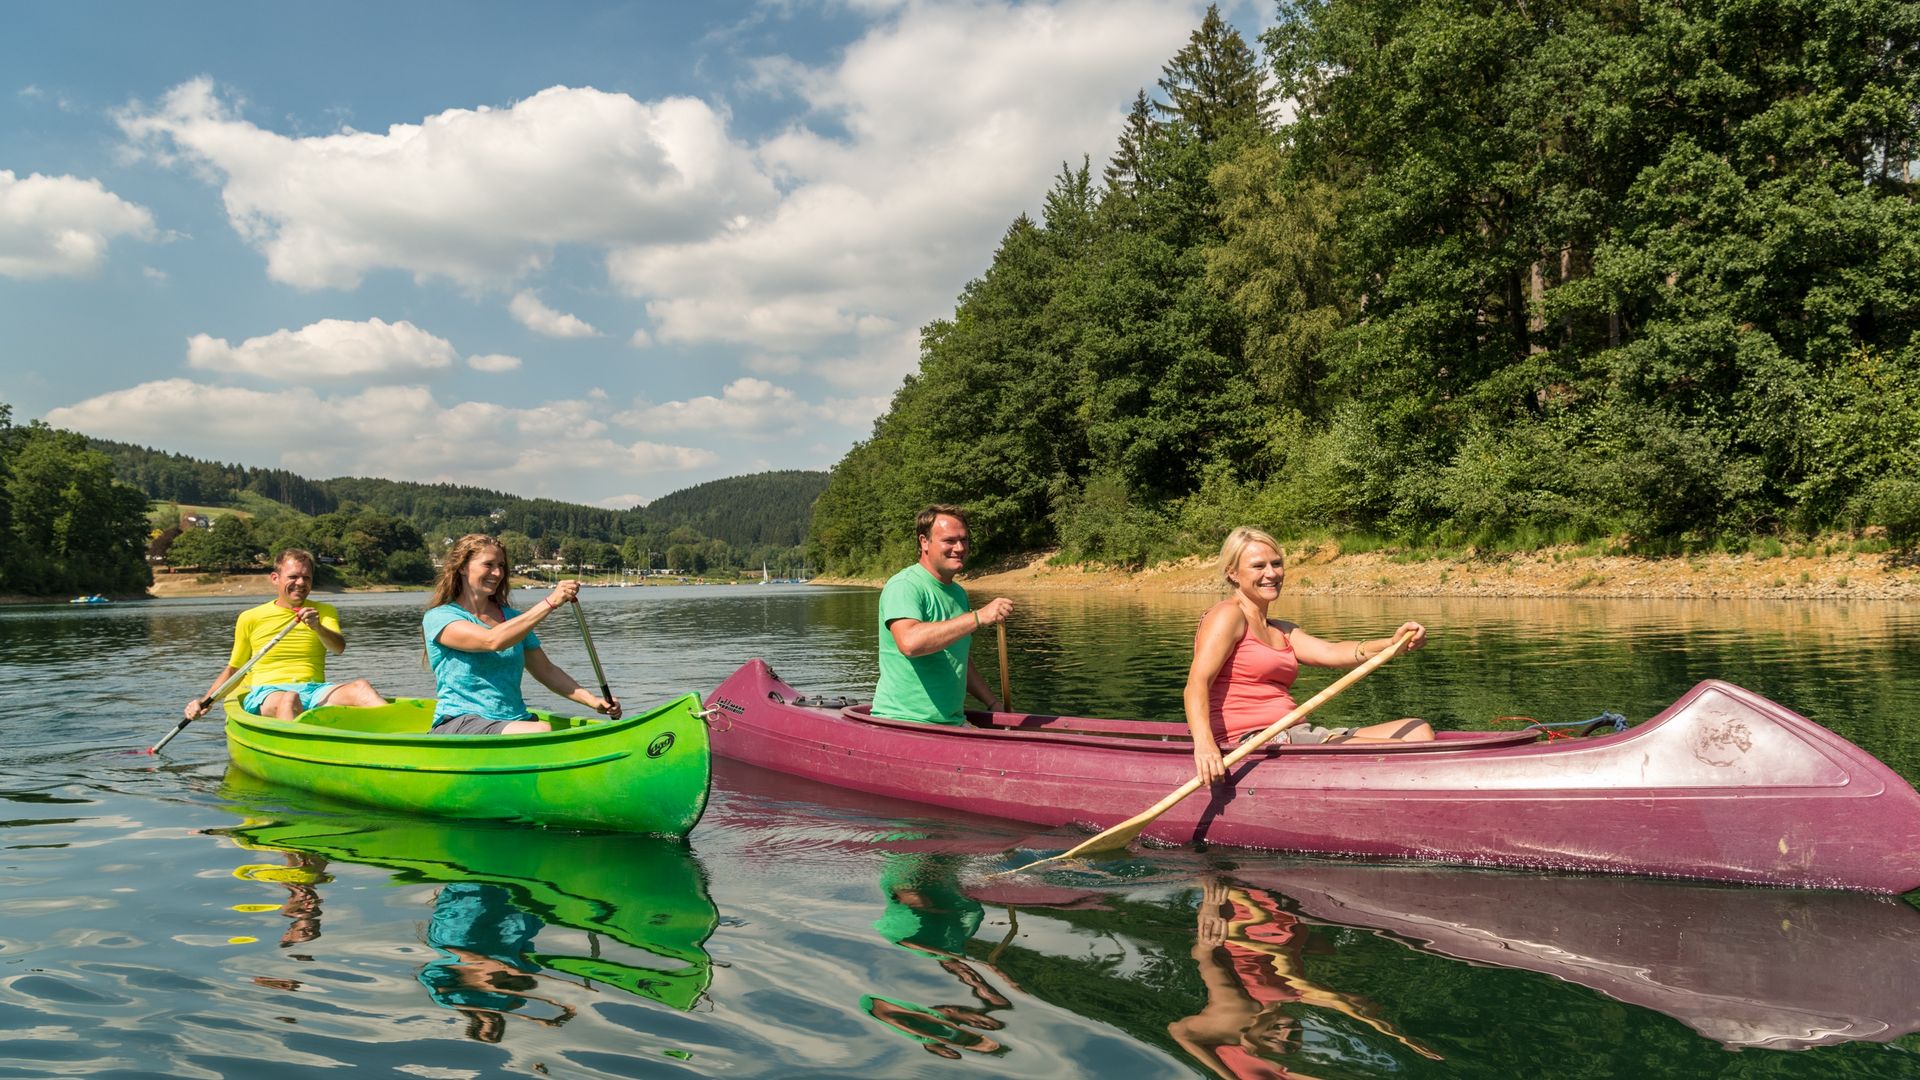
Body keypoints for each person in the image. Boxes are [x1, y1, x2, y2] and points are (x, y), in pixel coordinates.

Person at [1185, 527, 1433, 786]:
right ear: (1232, 573)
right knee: (1401, 753)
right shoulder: (1227, 615)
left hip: (1294, 732)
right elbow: (1196, 684)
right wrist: (1204, 746)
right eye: (1258, 566)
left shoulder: (1281, 629)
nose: (1271, 573)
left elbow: (1331, 652)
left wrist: (1393, 644)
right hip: (1254, 740)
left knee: (1419, 730)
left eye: (1277, 564)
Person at [423, 533, 619, 734]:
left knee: (541, 728)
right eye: (488, 564)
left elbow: (546, 671)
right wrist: (550, 603)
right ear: (463, 567)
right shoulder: (439, 617)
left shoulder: (513, 619)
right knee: (541, 730)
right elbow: (492, 640)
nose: (497, 573)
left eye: (501, 565)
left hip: (515, 721)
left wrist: (593, 701)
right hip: (460, 722)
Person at [183, 548, 385, 721]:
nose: (300, 582)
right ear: (275, 578)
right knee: (289, 699)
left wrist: (318, 627)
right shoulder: (250, 617)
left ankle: (402, 738)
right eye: (293, 576)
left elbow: (338, 648)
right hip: (267, 693)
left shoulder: (324, 611)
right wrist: (206, 700)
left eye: (306, 577)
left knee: (361, 687)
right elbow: (235, 669)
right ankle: (297, 754)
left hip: (315, 690)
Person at [871, 505, 1013, 725]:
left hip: (951, 722)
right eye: (949, 541)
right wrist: (977, 617)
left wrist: (993, 704)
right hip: (905, 723)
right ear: (924, 542)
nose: (959, 548)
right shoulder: (905, 586)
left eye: (964, 540)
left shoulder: (958, 594)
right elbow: (910, 643)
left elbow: (959, 659)